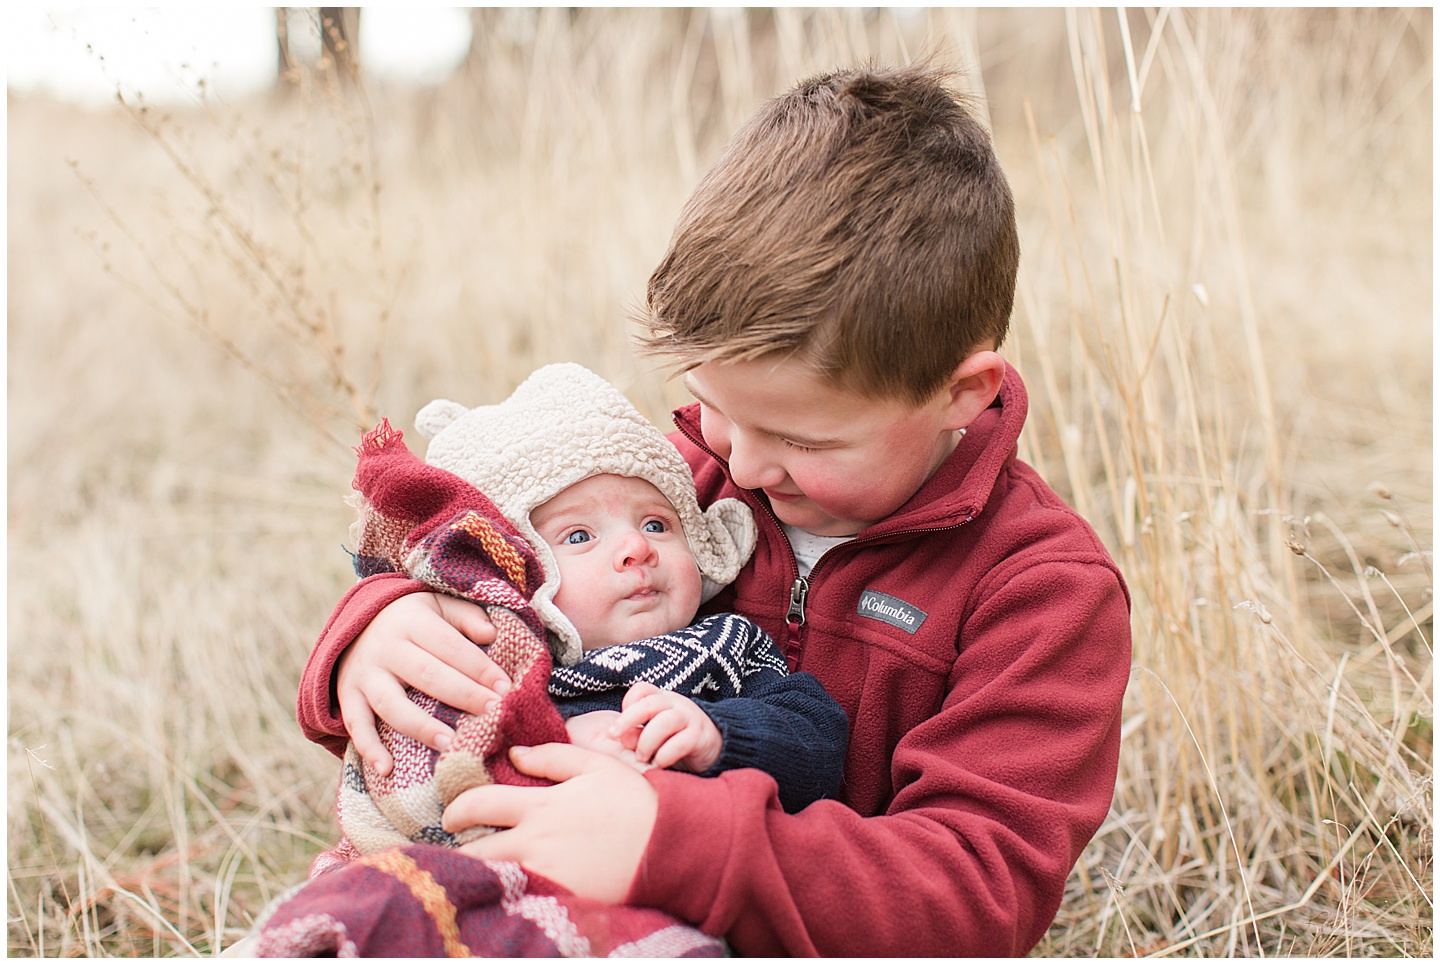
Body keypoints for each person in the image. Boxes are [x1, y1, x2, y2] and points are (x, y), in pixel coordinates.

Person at [296, 64, 1132, 956]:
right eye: (715, 404)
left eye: (804, 442)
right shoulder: (672, 482)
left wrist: (673, 841)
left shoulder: (1044, 594)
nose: (746, 460)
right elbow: (486, 563)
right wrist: (377, 625)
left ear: (961, 393)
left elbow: (974, 892)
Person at [332, 363, 849, 860]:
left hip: (641, 871)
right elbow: (402, 747)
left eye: (656, 525)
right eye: (578, 536)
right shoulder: (484, 649)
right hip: (472, 860)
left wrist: (718, 735)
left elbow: (818, 744)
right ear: (511, 567)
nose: (636, 548)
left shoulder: (723, 646)